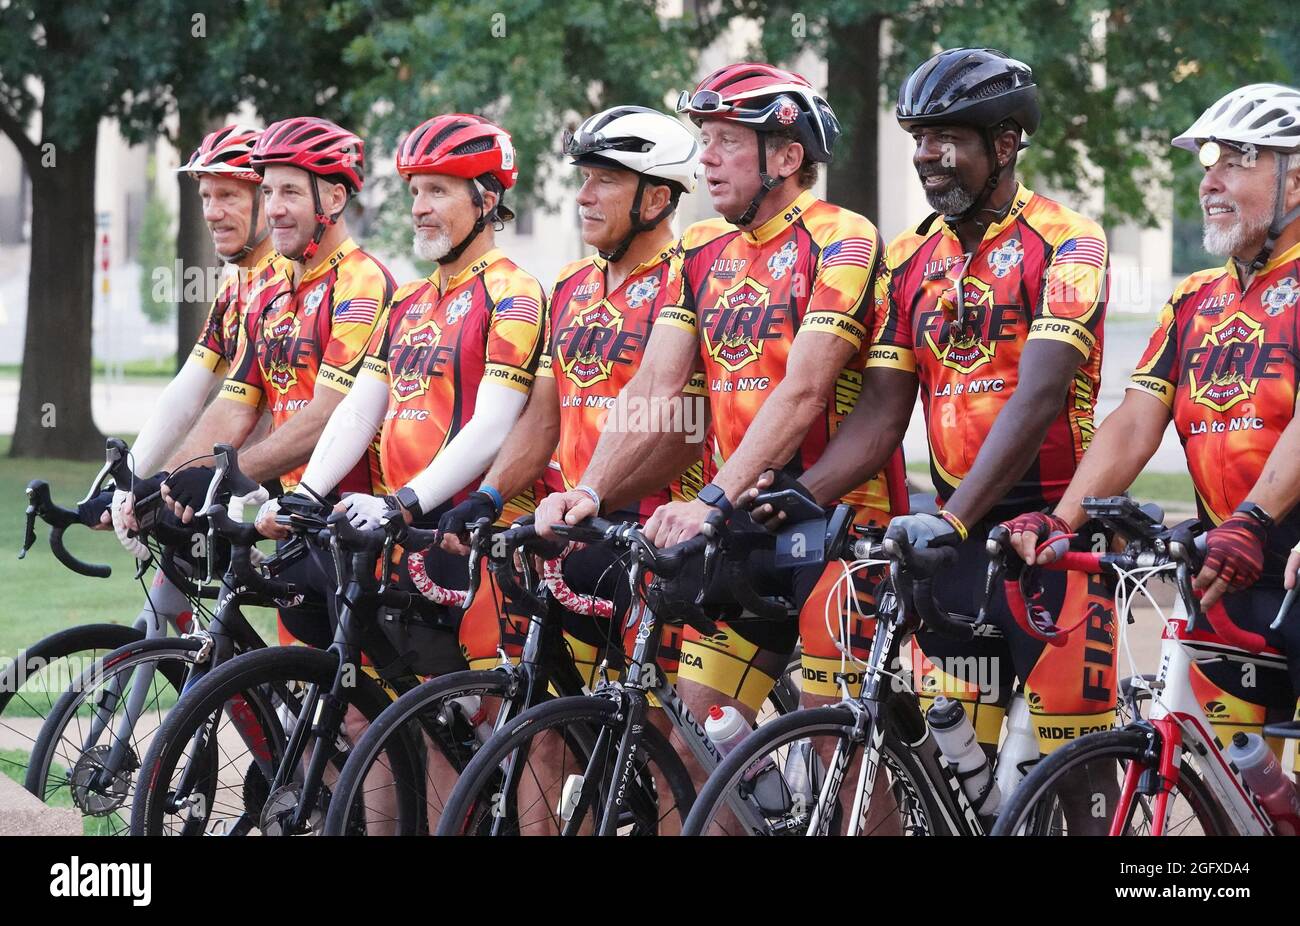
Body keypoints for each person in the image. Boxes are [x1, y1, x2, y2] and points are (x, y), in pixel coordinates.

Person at [752, 48, 1114, 760]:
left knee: (1079, 783)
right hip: (952, 548)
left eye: (946, 137)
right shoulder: (909, 258)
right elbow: (885, 411)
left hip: (1053, 541)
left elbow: (1039, 395)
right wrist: (803, 493)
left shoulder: (1071, 241)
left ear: (1005, 143)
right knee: (954, 774)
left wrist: (950, 517)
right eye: (919, 139)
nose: (926, 157)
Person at [538, 63, 907, 721]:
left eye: (727, 140)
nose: (706, 156)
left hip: (838, 523)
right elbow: (657, 384)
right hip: (739, 521)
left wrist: (710, 500)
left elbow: (804, 390)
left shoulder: (841, 237)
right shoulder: (702, 249)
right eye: (704, 138)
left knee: (836, 743)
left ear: (788, 156)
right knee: (700, 741)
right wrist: (589, 489)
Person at [1012, 82, 1300, 752]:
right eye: (1209, 161)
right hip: (1226, 572)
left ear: (1294, 183)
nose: (1211, 180)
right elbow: (1135, 421)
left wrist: (1255, 518)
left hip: (1278, 554)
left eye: (1238, 160)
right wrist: (1064, 519)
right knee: (1225, 790)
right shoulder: (1195, 299)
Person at [257, 113, 546, 673]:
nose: (419, 207)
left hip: (477, 542)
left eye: (437, 190)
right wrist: (309, 494)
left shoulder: (516, 292)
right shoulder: (408, 299)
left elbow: (492, 425)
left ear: (486, 198)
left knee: (496, 727)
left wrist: (403, 501)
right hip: (403, 538)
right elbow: (360, 408)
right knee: (409, 724)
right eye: (415, 191)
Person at [439, 104, 704, 687]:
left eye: (605, 179)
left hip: (653, 536)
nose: (584, 195)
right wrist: (489, 495)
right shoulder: (568, 285)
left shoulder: (687, 277)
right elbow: (543, 417)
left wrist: (599, 493)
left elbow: (690, 428)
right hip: (573, 525)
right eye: (583, 177)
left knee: (659, 749)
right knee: (548, 730)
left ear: (657, 199)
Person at [160, 115, 394, 648]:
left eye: (290, 190)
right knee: (309, 704)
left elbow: (327, 413)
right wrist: (172, 479)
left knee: (361, 711)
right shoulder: (268, 291)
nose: (275, 207)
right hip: (290, 518)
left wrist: (224, 476)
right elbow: (233, 405)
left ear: (332, 200)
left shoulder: (362, 282)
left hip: (356, 520)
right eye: (268, 191)